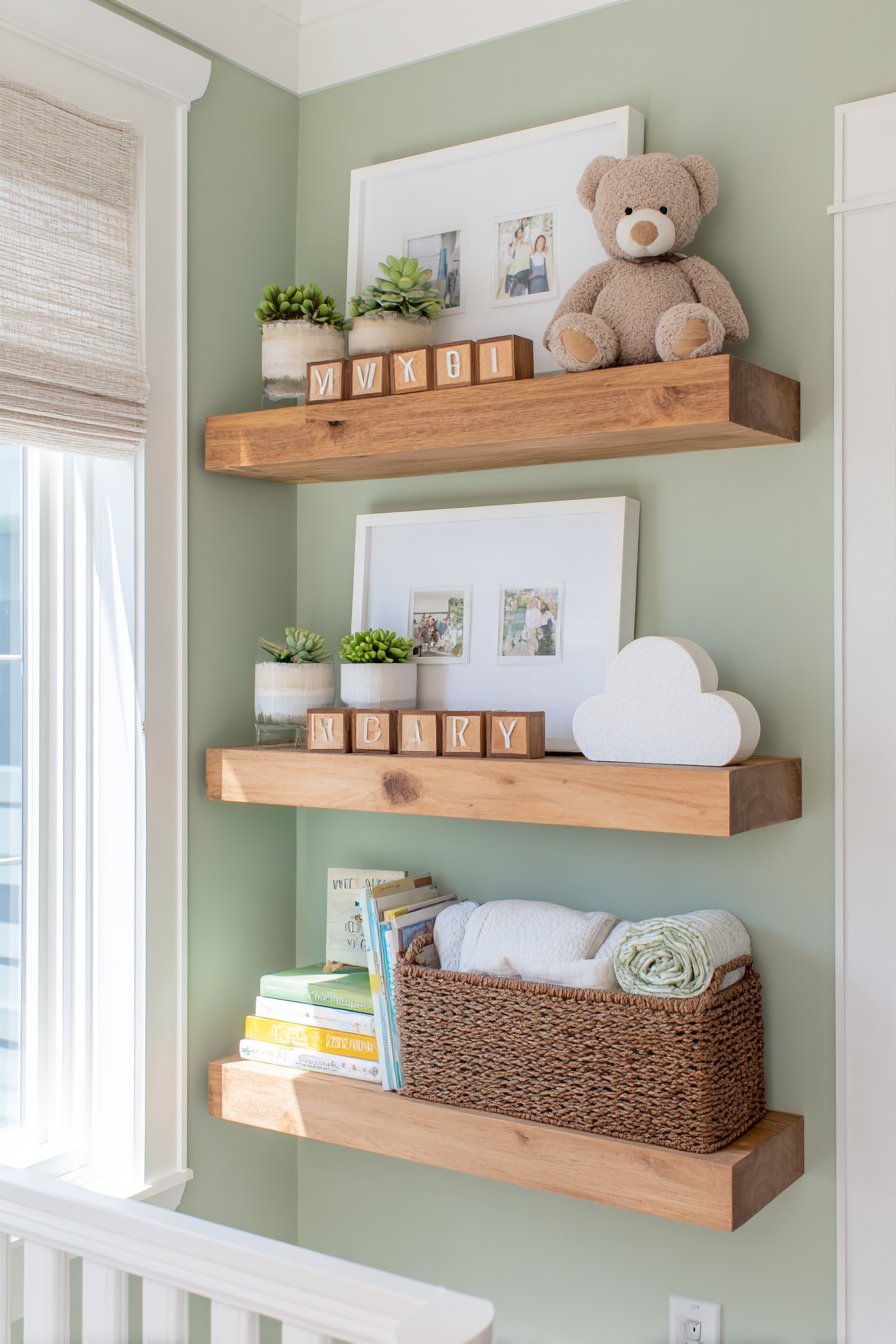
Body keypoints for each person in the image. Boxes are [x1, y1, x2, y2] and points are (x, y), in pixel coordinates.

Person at [500, 225, 532, 299]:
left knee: (523, 294)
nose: (522, 234)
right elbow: (510, 257)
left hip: (525, 272)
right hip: (516, 274)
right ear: (517, 235)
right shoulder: (513, 246)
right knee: (513, 295)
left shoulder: (527, 245)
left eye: (523, 232)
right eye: (520, 232)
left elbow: (531, 256)